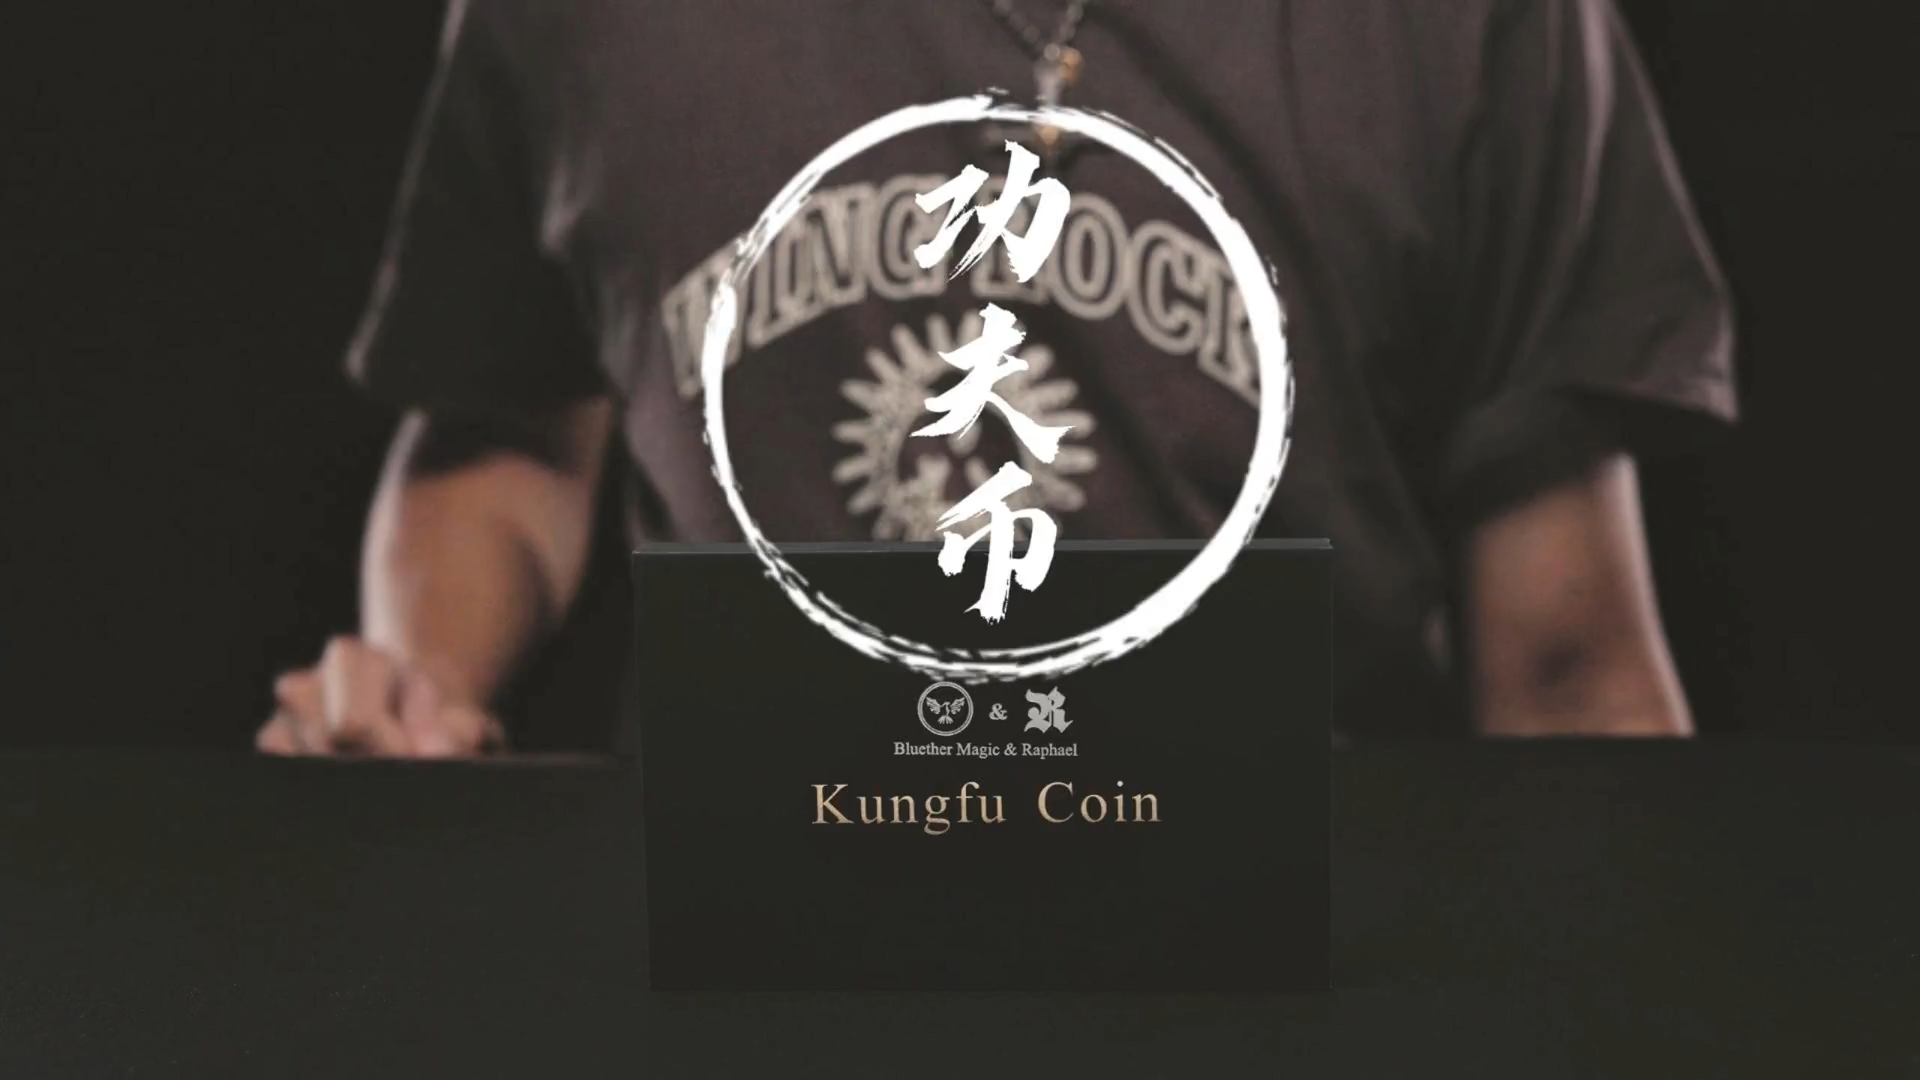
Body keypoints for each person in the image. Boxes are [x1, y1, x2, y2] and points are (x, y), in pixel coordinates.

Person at [258, 0, 1735, 757]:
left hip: (1304, 974)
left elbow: (1571, 678)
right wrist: (422, 685)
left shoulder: (1470, 22)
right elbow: (505, 439)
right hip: (746, 954)